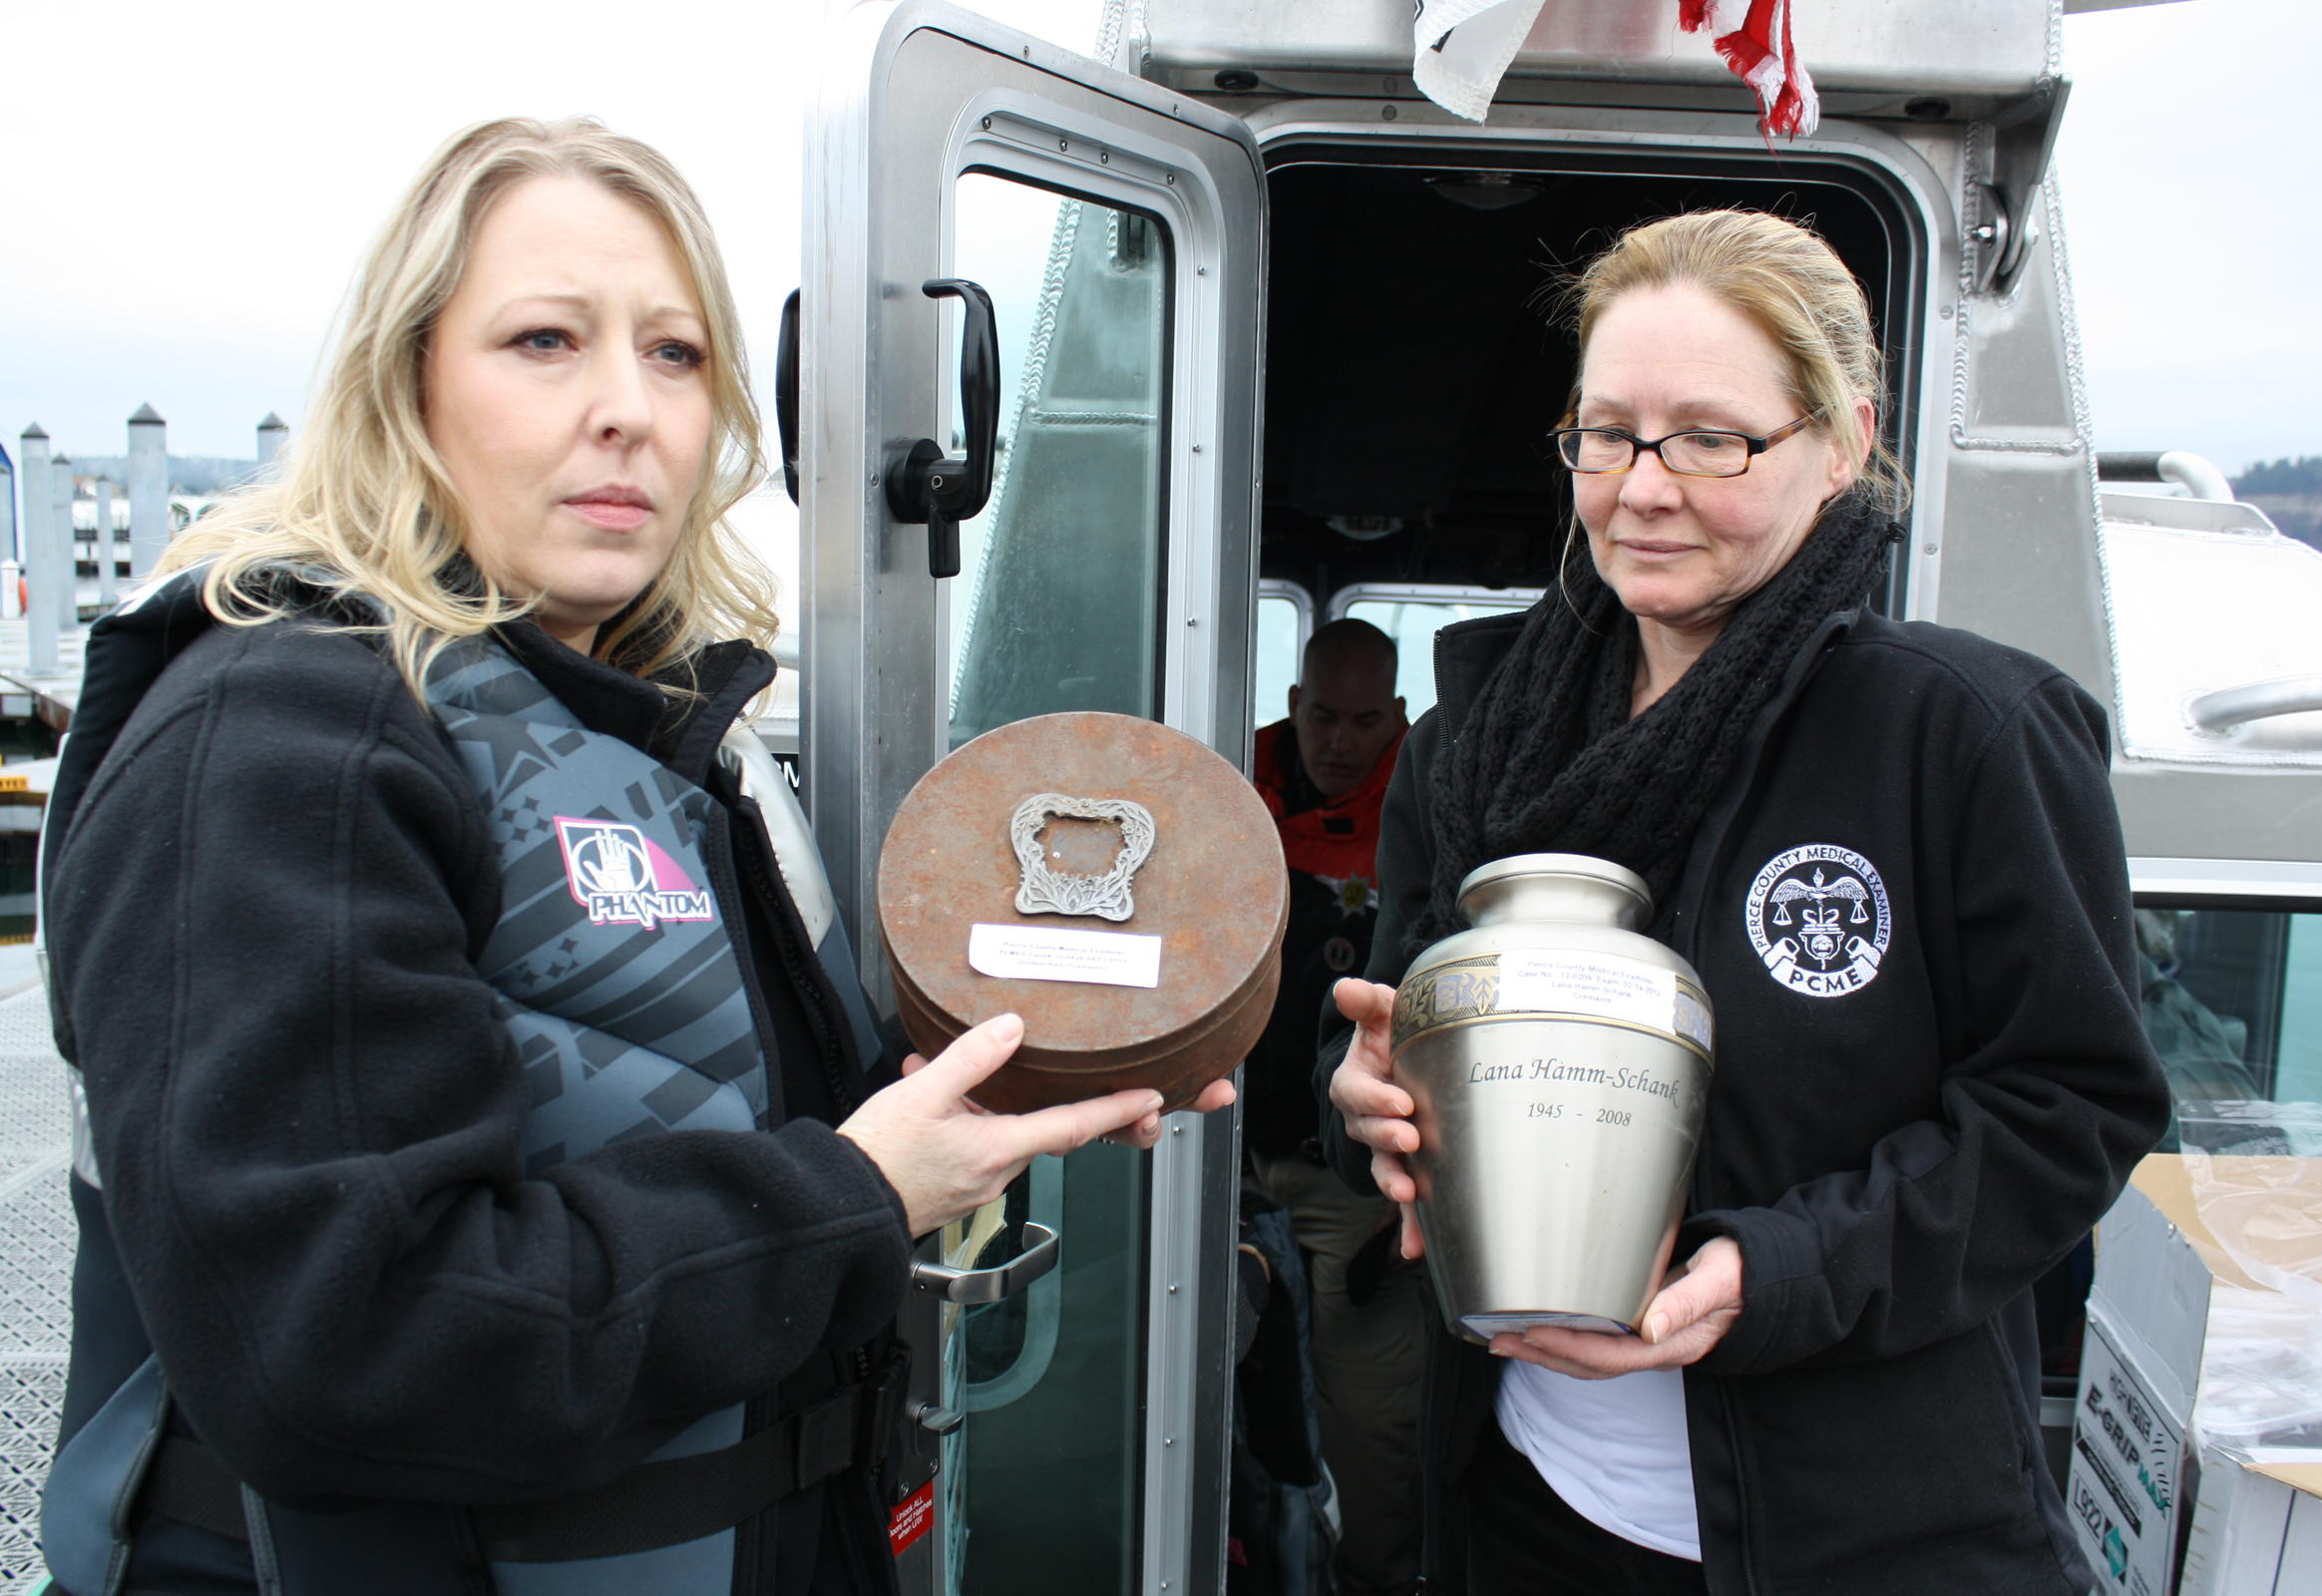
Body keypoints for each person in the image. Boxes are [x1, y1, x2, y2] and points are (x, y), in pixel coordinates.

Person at [37, 117, 1229, 1596]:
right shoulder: (288, 746)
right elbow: (336, 1341)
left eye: (675, 355)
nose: (629, 411)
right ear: (407, 382)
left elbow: (700, 1103)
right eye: (545, 340)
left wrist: (1021, 1087)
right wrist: (856, 1194)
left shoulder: (668, 744)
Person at [1318, 210, 2170, 1594]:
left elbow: (2069, 1111)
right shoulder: (1479, 739)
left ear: (1840, 444)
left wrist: (1769, 1276)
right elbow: (1390, 1027)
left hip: (1864, 1537)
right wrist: (1373, 1103)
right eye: (1607, 433)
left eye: (1713, 439)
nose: (1643, 487)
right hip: (1528, 1503)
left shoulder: (1965, 734)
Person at [1248, 618, 1426, 1595]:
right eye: (1323, 716)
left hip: (1346, 1179)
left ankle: (1376, 1578)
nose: (1341, 740)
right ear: (1293, 708)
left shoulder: (1429, 805)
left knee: (1371, 1413)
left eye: (1365, 719)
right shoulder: (1233, 794)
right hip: (1222, 1150)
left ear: (1396, 716)